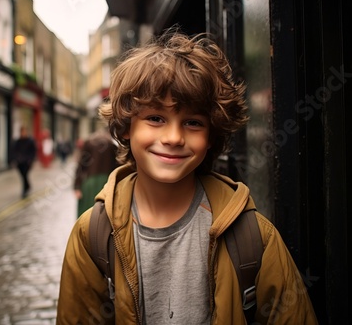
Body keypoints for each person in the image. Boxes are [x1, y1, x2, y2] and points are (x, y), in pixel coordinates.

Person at [57, 31, 317, 324]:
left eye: (193, 122)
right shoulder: (92, 234)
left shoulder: (254, 235)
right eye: (155, 118)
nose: (173, 137)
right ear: (127, 126)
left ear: (210, 137)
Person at [73, 127, 118, 217]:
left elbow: (81, 165)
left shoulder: (89, 142)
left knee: (86, 213)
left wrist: (77, 186)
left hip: (89, 182)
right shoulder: (111, 144)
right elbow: (117, 166)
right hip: (106, 182)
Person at [11, 126, 36, 198]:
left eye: (24, 131)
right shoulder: (17, 141)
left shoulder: (30, 141)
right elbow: (14, 151)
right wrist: (15, 159)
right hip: (19, 162)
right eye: (22, 132)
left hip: (27, 162)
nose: (23, 133)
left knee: (25, 175)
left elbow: (33, 152)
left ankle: (24, 190)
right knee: (23, 176)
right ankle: (27, 186)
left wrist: (30, 160)